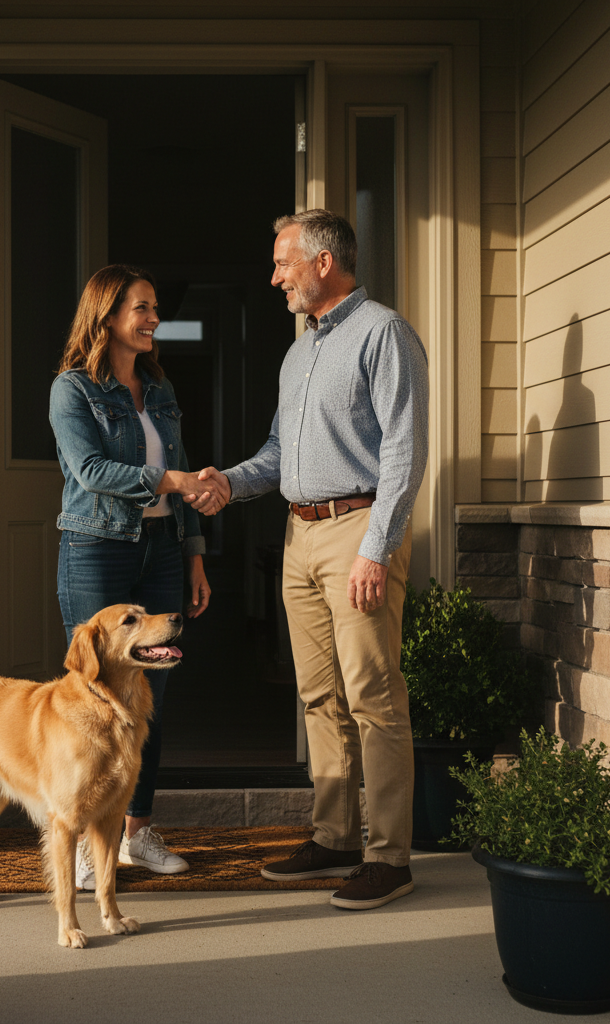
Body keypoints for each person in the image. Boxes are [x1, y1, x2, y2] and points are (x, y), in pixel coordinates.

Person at [189, 210, 429, 909]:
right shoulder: (298, 355)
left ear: (324, 263)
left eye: (283, 263)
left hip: (358, 531)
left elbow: (404, 451)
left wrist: (376, 549)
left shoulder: (383, 333)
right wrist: (228, 482)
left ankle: (390, 857)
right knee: (319, 696)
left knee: (374, 697)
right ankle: (336, 837)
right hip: (298, 536)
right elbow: (277, 455)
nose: (275, 278)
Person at [49, 264, 225, 890]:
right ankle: (78, 837)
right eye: (142, 308)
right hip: (98, 548)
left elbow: (181, 469)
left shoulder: (159, 387)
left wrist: (195, 554)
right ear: (107, 316)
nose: (154, 319)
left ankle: (136, 834)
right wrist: (172, 480)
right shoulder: (73, 390)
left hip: (163, 549)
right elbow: (91, 470)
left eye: (154, 308)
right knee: (89, 698)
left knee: (151, 697)